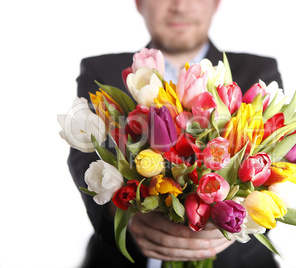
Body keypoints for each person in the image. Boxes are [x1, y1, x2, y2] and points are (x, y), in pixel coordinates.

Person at [68, 0, 283, 267]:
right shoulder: (103, 71)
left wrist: (240, 221)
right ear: (139, 4)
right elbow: (84, 152)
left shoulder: (256, 72)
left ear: (215, 3)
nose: (180, 6)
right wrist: (121, 214)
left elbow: (277, 163)